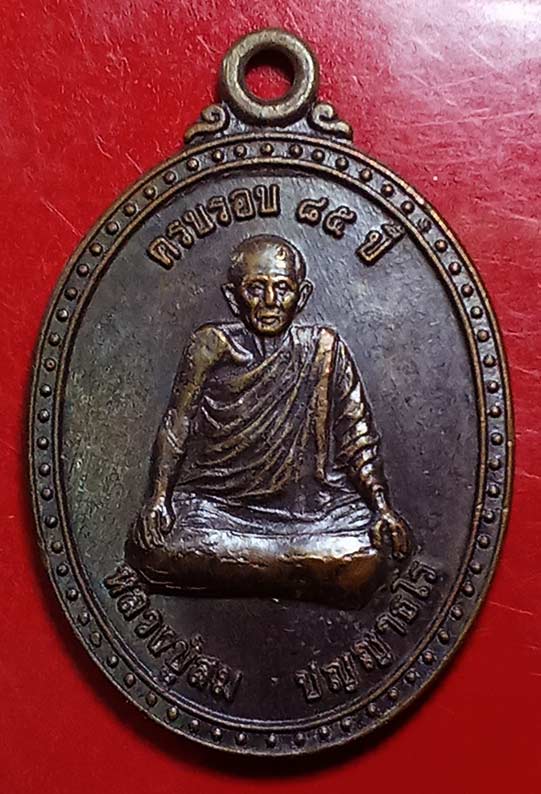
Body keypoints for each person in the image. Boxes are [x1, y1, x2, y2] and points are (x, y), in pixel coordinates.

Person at [126, 234, 410, 601]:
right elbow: (177, 424)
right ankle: (298, 570)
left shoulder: (324, 349)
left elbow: (357, 437)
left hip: (310, 512)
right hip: (219, 509)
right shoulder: (210, 346)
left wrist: (381, 507)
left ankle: (260, 567)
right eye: (256, 289)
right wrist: (158, 498)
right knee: (152, 546)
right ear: (233, 298)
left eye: (283, 288)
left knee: (372, 551)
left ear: (302, 297)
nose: (271, 301)